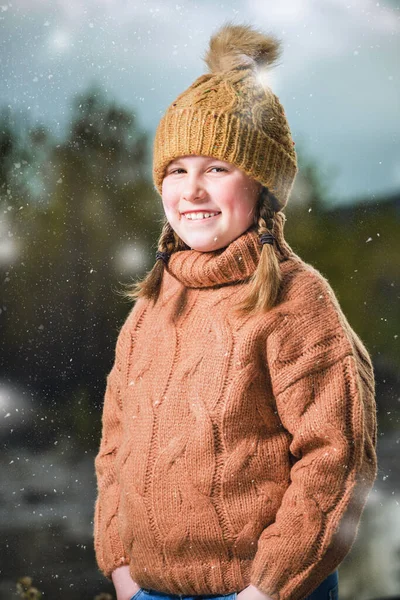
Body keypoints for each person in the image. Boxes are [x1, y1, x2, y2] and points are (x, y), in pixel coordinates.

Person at [93, 22, 378, 600]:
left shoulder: (297, 301)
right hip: (147, 589)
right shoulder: (149, 306)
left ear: (264, 190)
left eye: (217, 169)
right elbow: (114, 446)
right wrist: (121, 566)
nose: (192, 190)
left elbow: (336, 457)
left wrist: (267, 587)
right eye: (177, 170)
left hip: (260, 590)